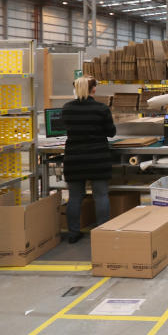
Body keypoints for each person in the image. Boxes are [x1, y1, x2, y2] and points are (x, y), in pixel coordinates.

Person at [61, 76, 116, 243]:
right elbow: (111, 132)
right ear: (94, 89)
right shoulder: (101, 108)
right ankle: (102, 232)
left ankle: (73, 234)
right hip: (97, 158)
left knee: (75, 197)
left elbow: (66, 128)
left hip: (74, 159)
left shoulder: (67, 108)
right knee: (100, 195)